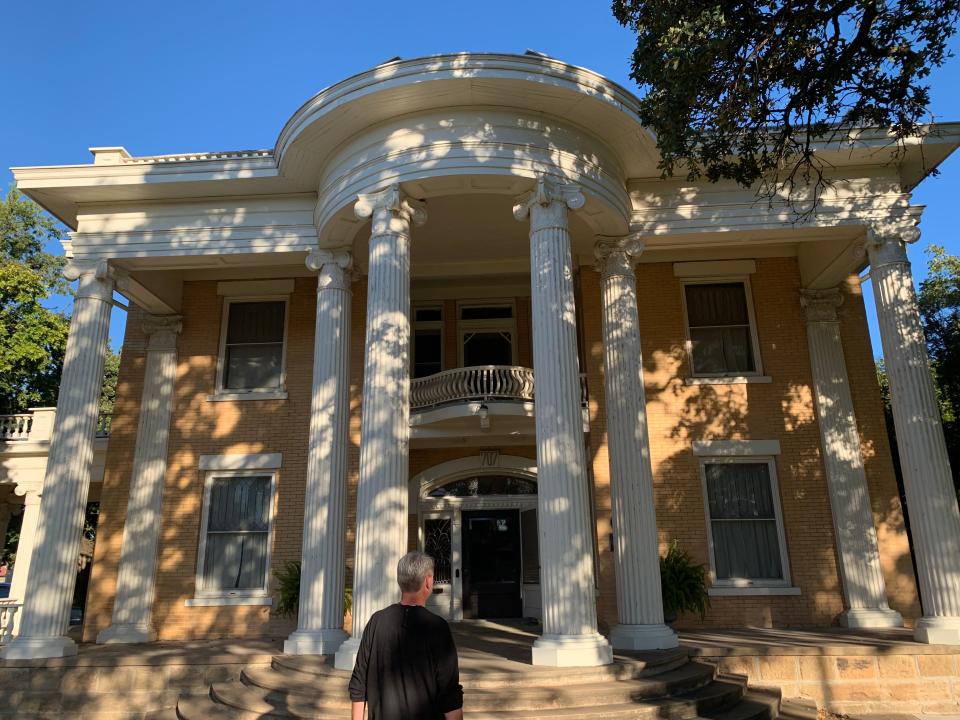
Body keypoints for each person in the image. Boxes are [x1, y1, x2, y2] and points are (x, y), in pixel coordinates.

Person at [349, 551, 464, 720]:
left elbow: (359, 684)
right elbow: (449, 695)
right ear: (428, 581)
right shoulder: (437, 628)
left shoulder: (376, 622)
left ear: (400, 580)